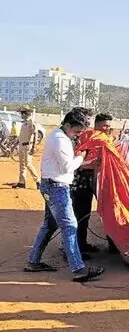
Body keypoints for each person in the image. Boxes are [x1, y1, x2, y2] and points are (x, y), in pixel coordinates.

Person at [24, 109, 104, 282]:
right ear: (67, 125)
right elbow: (67, 167)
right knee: (70, 226)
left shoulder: (59, 136)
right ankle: (78, 269)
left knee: (50, 225)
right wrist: (81, 156)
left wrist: (83, 159)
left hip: (52, 185)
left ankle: (33, 261)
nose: (77, 135)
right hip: (56, 187)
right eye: (76, 131)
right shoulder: (60, 140)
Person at [71, 113, 111, 255]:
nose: (107, 128)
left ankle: (85, 244)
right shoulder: (86, 137)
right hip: (83, 180)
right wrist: (92, 164)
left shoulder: (106, 139)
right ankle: (76, 248)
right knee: (81, 214)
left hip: (99, 179)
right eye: (105, 125)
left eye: (109, 126)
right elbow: (76, 161)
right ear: (97, 124)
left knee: (107, 211)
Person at [12, 105, 40, 189]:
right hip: (21, 145)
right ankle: (22, 182)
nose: (21, 115)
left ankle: (38, 181)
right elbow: (21, 136)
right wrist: (15, 145)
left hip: (28, 146)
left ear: (25, 114)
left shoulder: (32, 122)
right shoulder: (24, 123)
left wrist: (34, 147)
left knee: (28, 164)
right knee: (22, 165)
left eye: (22, 113)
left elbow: (35, 135)